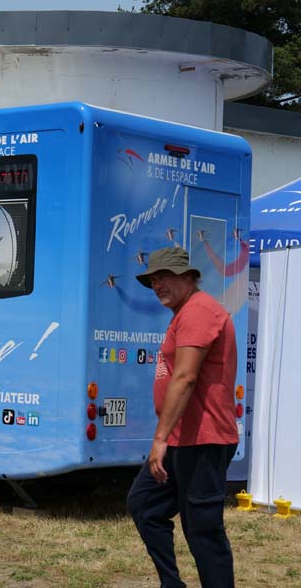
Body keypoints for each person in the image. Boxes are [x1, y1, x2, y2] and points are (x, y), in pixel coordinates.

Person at [127, 246, 238, 588]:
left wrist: (159, 439)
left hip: (203, 440)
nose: (158, 284)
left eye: (166, 277)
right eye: (154, 279)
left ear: (189, 277)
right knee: (144, 504)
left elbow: (186, 377)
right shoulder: (185, 313)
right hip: (182, 439)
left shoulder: (199, 312)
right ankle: (171, 583)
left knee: (203, 529)